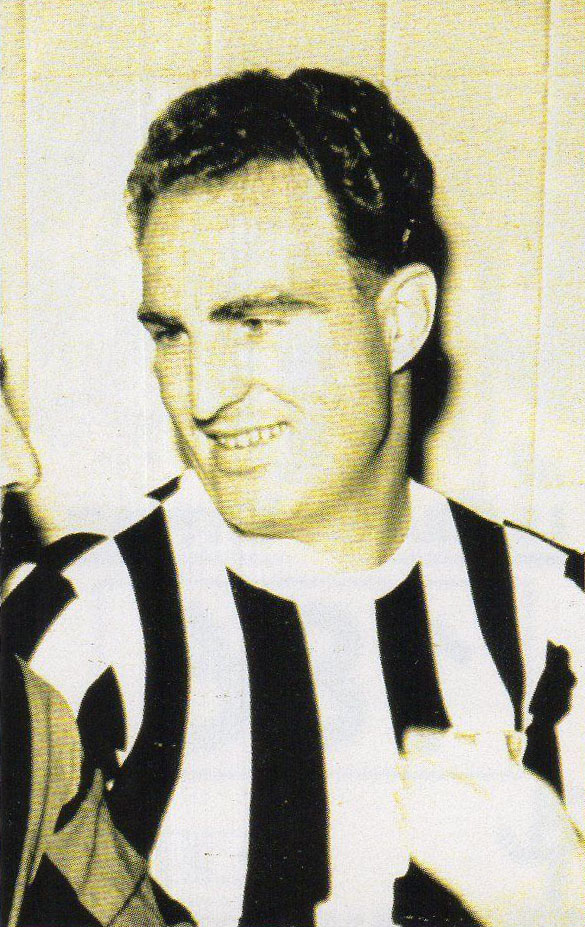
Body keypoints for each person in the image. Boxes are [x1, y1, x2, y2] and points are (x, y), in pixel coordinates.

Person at [14, 69, 585, 926]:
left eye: (256, 322)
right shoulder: (73, 625)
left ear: (400, 319)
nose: (203, 394)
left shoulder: (557, 621)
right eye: (172, 333)